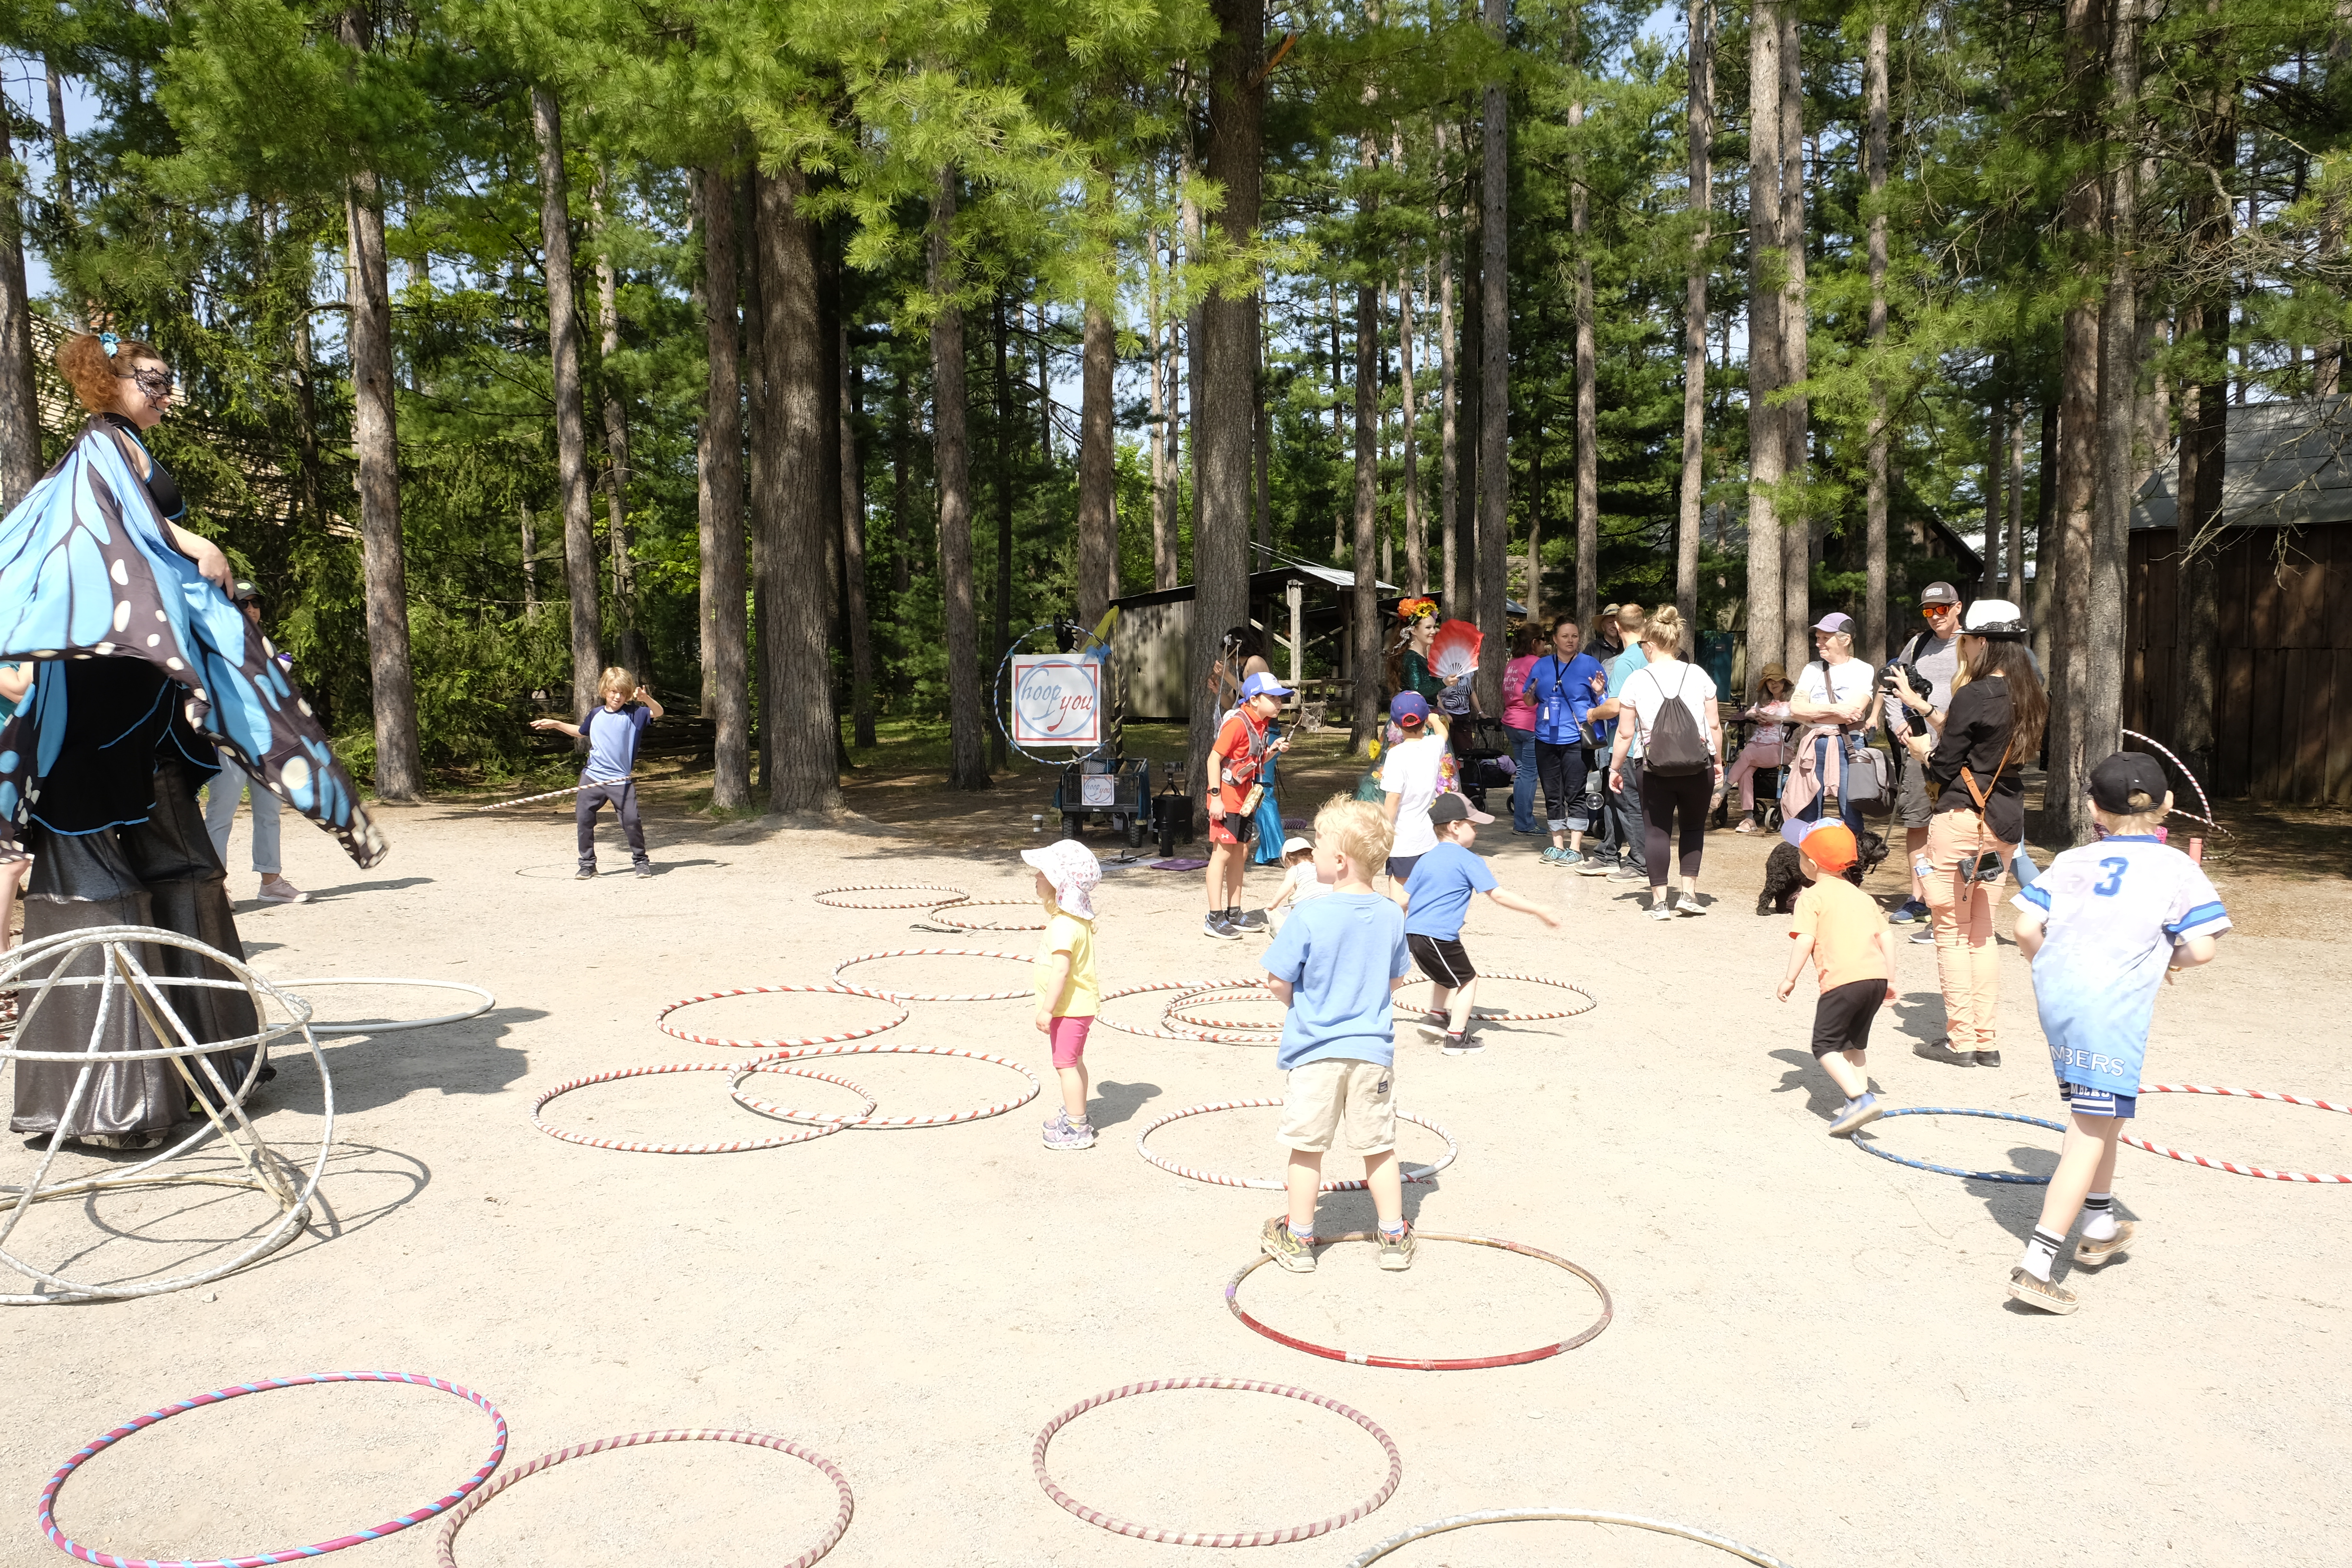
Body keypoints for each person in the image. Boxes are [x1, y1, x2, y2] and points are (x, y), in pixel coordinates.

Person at [3, 331, 385, 1150]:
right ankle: (111, 1099)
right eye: (153, 379)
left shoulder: (131, 445)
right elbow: (121, 536)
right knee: (101, 874)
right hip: (102, 690)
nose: (167, 393)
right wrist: (194, 541)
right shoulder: (101, 448)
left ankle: (205, 1066)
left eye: (169, 380)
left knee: (180, 862)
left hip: (141, 695)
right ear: (109, 380)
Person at [2004, 752, 2230, 1315]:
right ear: (2168, 806)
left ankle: (2100, 1221)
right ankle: (2037, 1265)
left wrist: (2053, 968)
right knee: (2088, 1127)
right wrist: (2165, 959)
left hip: (2062, 1002)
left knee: (2105, 1113)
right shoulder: (2176, 867)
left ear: (2092, 809)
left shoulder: (2075, 860)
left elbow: (2026, 926)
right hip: (2112, 1010)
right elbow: (2201, 947)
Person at [1257, 796, 1418, 1274]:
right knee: (1378, 1146)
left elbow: (1276, 980)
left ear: (1340, 861)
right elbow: (1395, 980)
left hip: (1315, 1052)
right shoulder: (1392, 914)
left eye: (1319, 846)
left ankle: (1300, 1239)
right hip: (1372, 1052)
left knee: (1308, 1147)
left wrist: (1307, 1009)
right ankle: (1392, 1235)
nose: (1314, 854)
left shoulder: (1307, 915)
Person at [1896, 599, 2045, 1067]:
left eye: (1968, 642)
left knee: (1952, 933)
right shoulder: (2031, 696)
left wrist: (1920, 748)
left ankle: (1960, 1041)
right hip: (2003, 825)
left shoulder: (1974, 694)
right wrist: (1927, 708)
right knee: (1981, 932)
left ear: (1983, 642)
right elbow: (1985, 744)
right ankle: (1986, 1040)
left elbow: (1945, 764)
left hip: (1961, 822)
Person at [1403, 793, 1561, 1054]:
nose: (1477, 831)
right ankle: (1456, 1038)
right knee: (1468, 979)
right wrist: (1538, 910)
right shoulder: (1469, 860)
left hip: (1415, 935)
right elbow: (1498, 895)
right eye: (1473, 825)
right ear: (1455, 827)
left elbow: (1405, 899)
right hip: (1439, 935)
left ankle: (1437, 1016)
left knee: (1446, 974)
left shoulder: (1426, 859)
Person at [1775, 822, 1899, 1137]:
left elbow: (1805, 940)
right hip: (1876, 979)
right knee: (1854, 1045)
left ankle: (1860, 1099)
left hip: (1843, 982)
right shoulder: (1863, 898)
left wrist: (1790, 978)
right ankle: (1857, 1098)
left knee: (1825, 1046)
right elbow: (1887, 938)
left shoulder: (1811, 897)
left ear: (1811, 864)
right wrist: (1891, 978)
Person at [1604, 607, 1723, 919]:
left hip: (1652, 766)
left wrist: (1615, 768)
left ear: (1651, 645)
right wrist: (1719, 761)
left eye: (1644, 646)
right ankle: (1688, 894)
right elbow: (1713, 726)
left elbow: (1625, 733)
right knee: (1694, 827)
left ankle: (1659, 902)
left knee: (1656, 830)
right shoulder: (1698, 674)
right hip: (1698, 765)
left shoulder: (1637, 680)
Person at [201, 582, 307, 905]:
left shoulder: (266, 646)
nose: (250, 609)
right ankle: (215, 888)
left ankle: (271, 882)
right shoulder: (212, 644)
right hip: (229, 742)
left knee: (269, 813)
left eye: (255, 603)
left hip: (266, 743)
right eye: (242, 603)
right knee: (221, 815)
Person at [1882, 583, 1965, 928]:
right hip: (1919, 747)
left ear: (1957, 608)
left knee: (1958, 826)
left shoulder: (1972, 643)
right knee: (1917, 823)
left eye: (1941, 610)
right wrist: (1899, 723)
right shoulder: (1917, 645)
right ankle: (1919, 898)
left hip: (1960, 749)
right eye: (1928, 611)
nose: (1935, 617)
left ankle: (1950, 902)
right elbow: (1891, 684)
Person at [532, 667, 663, 880]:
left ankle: (641, 861)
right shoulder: (595, 714)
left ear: (629, 693)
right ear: (605, 691)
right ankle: (587, 865)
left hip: (620, 780)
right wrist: (556, 724)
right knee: (584, 820)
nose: (617, 697)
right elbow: (581, 732)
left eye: (622, 692)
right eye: (613, 692)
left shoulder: (635, 714)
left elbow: (658, 713)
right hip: (592, 777)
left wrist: (646, 698)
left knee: (631, 821)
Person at [1024, 838, 1103, 1152]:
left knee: (1065, 1065)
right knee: (1074, 1061)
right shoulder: (1075, 921)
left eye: (1041, 873)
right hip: (1078, 1007)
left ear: (1058, 884)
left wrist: (1046, 1009)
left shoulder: (1062, 927)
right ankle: (1075, 1115)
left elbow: (1061, 971)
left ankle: (1077, 1127)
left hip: (1068, 1009)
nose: (1035, 877)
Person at [1200, 670, 1291, 939]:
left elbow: (1254, 760)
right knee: (1223, 854)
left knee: (1240, 853)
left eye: (1280, 698)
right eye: (1273, 698)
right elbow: (1213, 759)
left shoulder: (1260, 725)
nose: (1279, 703)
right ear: (1253, 700)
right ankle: (1214, 917)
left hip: (1245, 799)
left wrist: (1274, 748)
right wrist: (1215, 796)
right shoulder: (1237, 724)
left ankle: (1234, 911)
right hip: (1226, 797)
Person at [1785, 611, 1883, 838]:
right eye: (1817, 638)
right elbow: (1796, 709)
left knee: (1851, 812)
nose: (1819, 643)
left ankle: (1850, 866)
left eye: (1824, 638)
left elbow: (1855, 713)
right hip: (1814, 745)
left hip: (1850, 745)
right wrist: (1836, 709)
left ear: (1845, 639)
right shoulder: (1812, 669)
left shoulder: (1863, 669)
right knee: (1808, 808)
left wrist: (1813, 714)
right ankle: (1810, 866)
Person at [1523, 616, 1607, 868]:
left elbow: (1606, 703)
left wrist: (1600, 692)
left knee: (1575, 792)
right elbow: (1530, 702)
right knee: (1552, 793)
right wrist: (1529, 694)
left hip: (1576, 738)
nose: (1571, 641)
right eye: (1565, 636)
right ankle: (1557, 845)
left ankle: (1576, 848)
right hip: (1545, 737)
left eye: (1574, 636)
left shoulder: (1590, 664)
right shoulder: (1541, 665)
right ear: (1555, 640)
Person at [1580, 602, 1651, 885]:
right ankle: (1608, 853)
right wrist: (1603, 692)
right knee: (1614, 800)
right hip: (1646, 742)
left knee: (1628, 803)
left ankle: (1640, 862)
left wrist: (1593, 713)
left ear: (1619, 627)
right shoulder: (1652, 654)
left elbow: (1617, 706)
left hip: (1627, 743)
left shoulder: (1625, 660)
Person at [1378, 692, 1448, 905]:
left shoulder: (1396, 755)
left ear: (1397, 725)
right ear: (1424, 719)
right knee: (1424, 887)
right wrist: (1435, 719)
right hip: (1428, 836)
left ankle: (1398, 933)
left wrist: (1385, 830)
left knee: (1399, 895)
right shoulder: (1433, 746)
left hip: (1402, 838)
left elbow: (1393, 798)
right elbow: (1443, 733)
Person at [1727, 662, 1793, 834]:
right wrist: (1755, 715)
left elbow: (1798, 719)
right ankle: (1749, 818)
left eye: (1777, 680)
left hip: (1781, 748)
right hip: (1757, 747)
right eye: (1769, 681)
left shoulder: (1792, 703)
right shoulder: (1763, 703)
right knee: (1746, 770)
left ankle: (1722, 791)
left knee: (1747, 756)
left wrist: (1775, 718)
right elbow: (1748, 713)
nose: (1773, 684)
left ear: (1784, 681)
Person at [1500, 624, 1543, 834]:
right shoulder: (1536, 662)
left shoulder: (1513, 663)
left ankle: (1523, 820)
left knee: (1522, 773)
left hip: (1511, 721)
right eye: (1543, 639)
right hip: (1529, 723)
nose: (1546, 644)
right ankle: (1524, 823)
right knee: (1528, 775)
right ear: (1535, 643)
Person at [1264, 834, 1330, 932]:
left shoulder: (1295, 870)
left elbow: (1286, 887)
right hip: (1329, 900)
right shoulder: (1318, 866)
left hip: (1307, 904)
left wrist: (1274, 903)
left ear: (1289, 861)